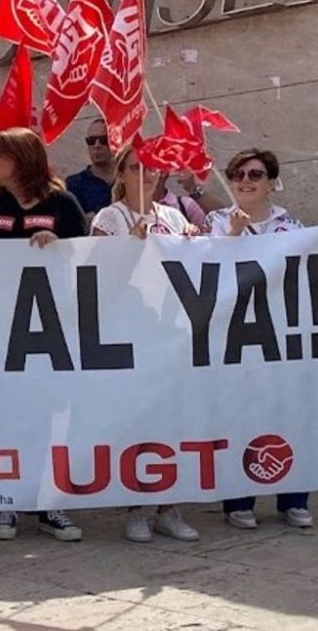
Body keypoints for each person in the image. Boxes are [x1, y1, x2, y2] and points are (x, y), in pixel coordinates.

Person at [0, 127, 87, 542]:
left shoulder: (61, 202)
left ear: (23, 156)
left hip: (48, 327)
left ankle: (50, 504)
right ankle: (5, 500)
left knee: (48, 415)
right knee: (2, 412)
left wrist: (58, 245)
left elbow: (89, 260)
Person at [89, 146, 202, 543]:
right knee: (136, 422)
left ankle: (169, 508)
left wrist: (193, 240)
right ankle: (135, 507)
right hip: (128, 334)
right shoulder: (111, 217)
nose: (145, 173)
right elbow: (95, 278)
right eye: (136, 167)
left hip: (170, 332)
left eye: (152, 166)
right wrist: (126, 249)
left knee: (171, 421)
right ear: (121, 173)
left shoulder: (172, 216)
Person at [205, 149, 311, 529]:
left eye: (255, 174)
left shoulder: (293, 226)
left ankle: (293, 498)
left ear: (270, 181)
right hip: (236, 337)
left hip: (282, 337)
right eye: (237, 174)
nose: (245, 181)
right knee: (240, 417)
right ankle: (239, 500)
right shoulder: (216, 222)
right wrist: (232, 235)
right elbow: (204, 274)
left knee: (289, 414)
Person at [65, 118, 115, 216]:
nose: (97, 145)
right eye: (91, 141)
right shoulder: (73, 184)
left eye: (103, 140)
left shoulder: (129, 180)